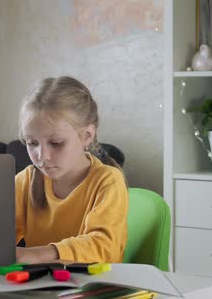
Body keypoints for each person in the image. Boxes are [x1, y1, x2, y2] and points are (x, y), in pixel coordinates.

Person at [15, 76, 128, 264]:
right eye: (32, 143)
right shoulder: (25, 180)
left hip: (91, 288)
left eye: (56, 143)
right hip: (37, 289)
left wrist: (37, 254)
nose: (42, 156)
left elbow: (104, 247)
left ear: (87, 136)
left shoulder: (108, 181)